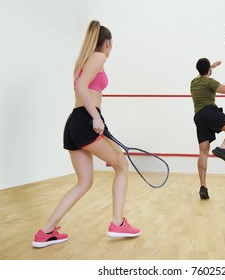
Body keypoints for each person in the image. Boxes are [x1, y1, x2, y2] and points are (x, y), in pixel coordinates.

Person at [32, 21, 141, 248]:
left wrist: (99, 122)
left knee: (84, 182)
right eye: (112, 45)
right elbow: (81, 87)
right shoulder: (99, 57)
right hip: (86, 120)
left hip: (76, 123)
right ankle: (118, 223)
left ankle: (46, 232)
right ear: (108, 43)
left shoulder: (83, 60)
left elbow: (83, 88)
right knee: (122, 165)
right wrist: (97, 117)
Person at [190, 58, 225, 200]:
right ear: (208, 70)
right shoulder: (210, 82)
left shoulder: (194, 83)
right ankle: (223, 148)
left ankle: (203, 186)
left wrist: (211, 66)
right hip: (209, 112)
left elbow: (199, 75)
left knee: (203, 152)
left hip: (198, 117)